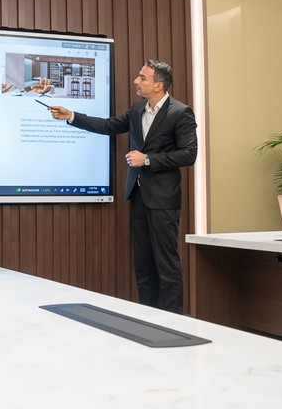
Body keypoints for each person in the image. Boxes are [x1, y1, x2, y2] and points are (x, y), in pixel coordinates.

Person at [49, 60, 197, 313]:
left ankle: (175, 321)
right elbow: (109, 126)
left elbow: (189, 154)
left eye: (143, 77)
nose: (136, 81)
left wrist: (148, 159)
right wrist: (71, 116)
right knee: (143, 264)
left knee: (166, 263)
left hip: (163, 201)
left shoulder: (180, 112)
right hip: (138, 195)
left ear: (158, 85)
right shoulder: (138, 109)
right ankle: (148, 316)